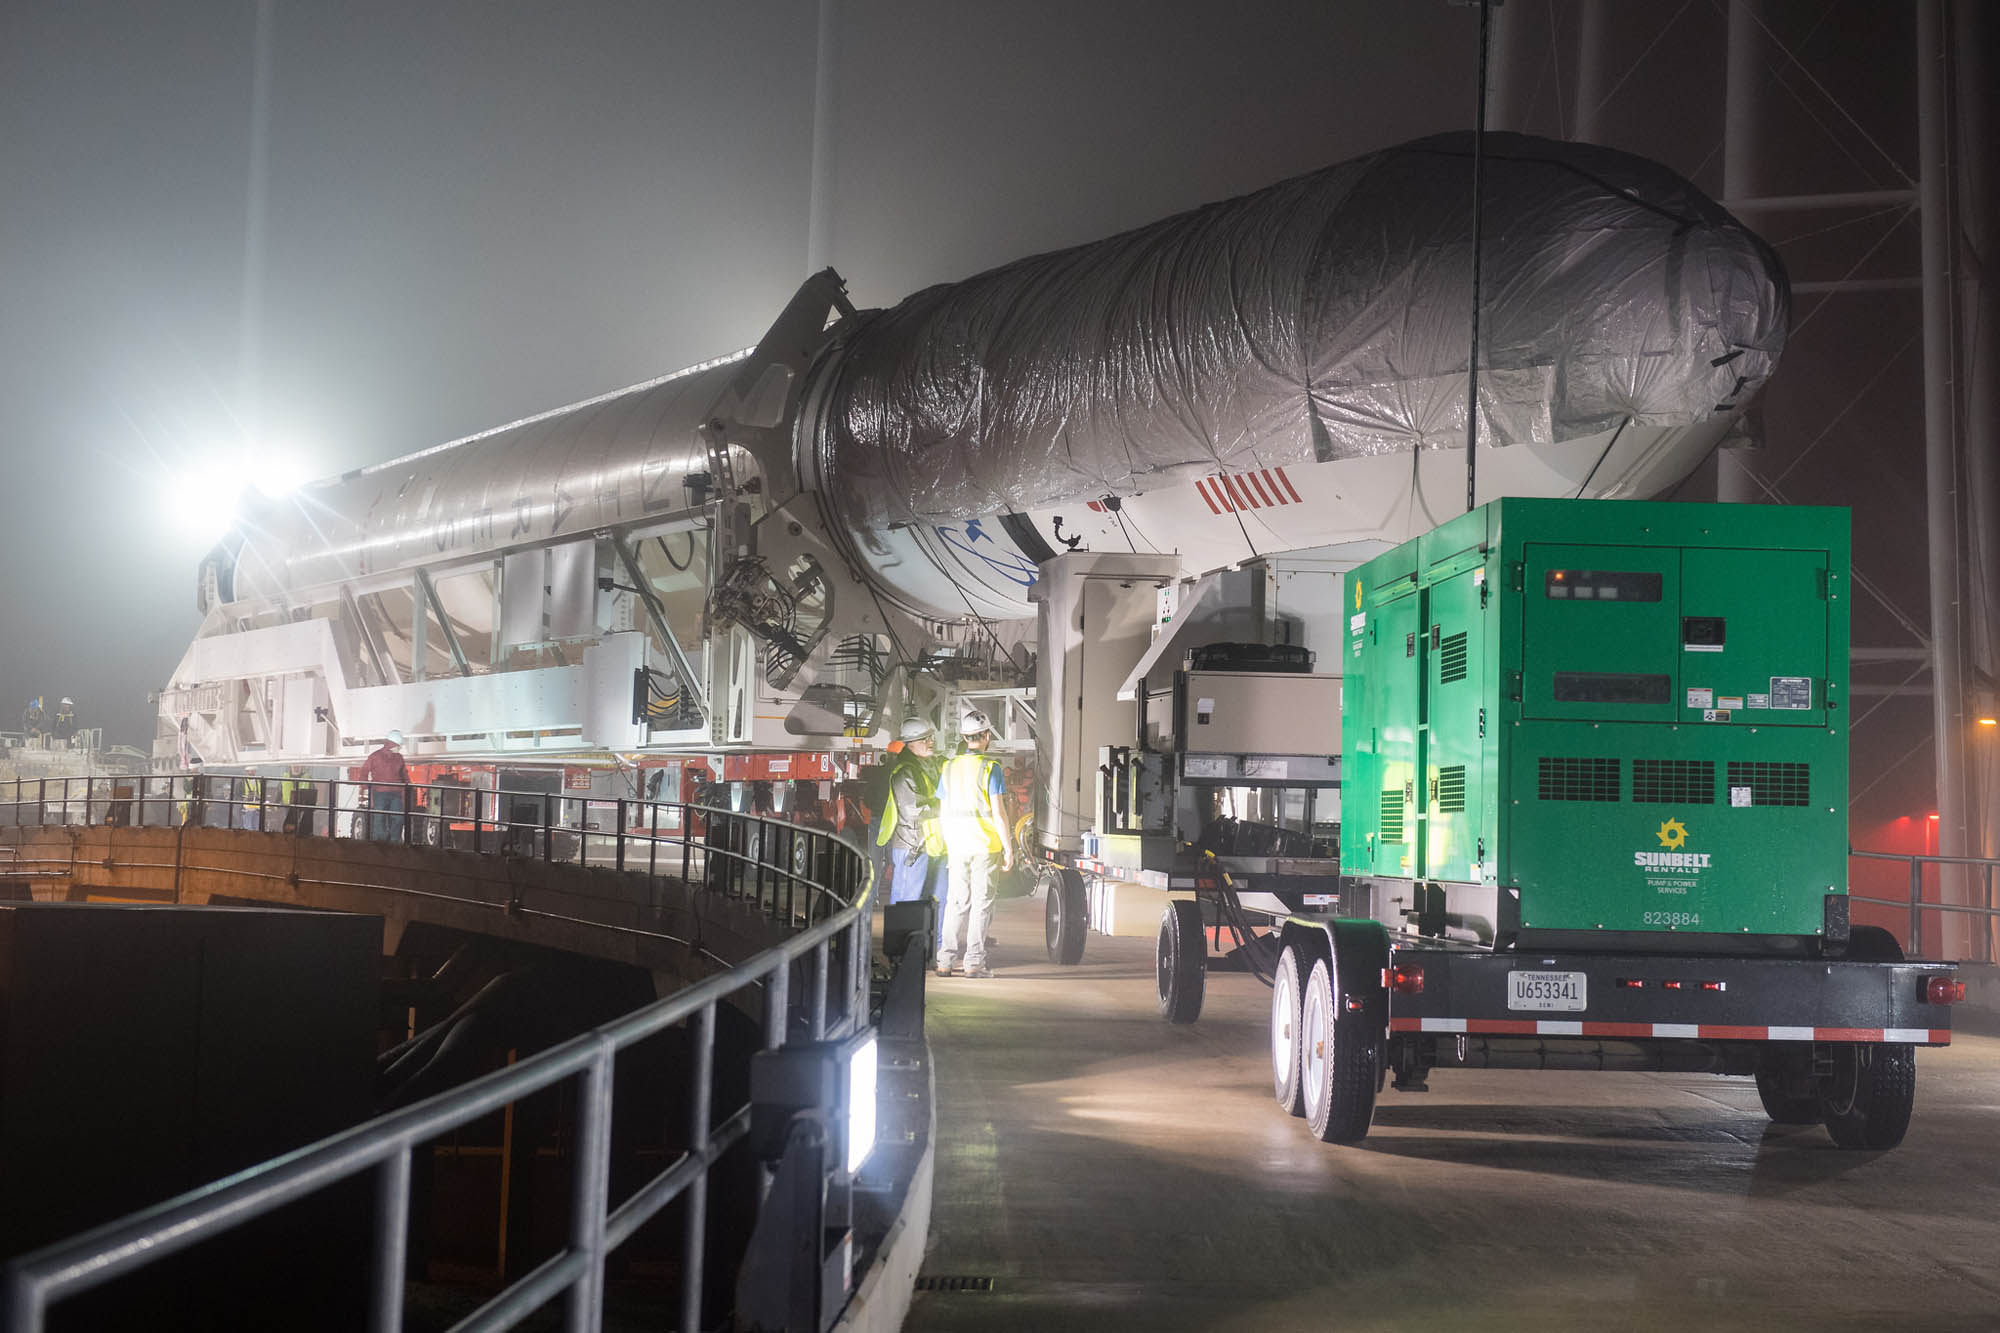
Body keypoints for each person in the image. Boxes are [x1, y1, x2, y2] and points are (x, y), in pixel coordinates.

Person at [935, 705, 1015, 978]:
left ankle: (945, 961)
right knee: (981, 904)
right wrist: (1008, 848)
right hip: (984, 845)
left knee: (956, 903)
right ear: (986, 735)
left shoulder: (948, 767)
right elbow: (999, 813)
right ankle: (974, 963)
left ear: (964, 737)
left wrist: (948, 845)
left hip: (957, 846)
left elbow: (943, 812)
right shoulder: (990, 768)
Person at [877, 718, 941, 908]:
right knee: (907, 897)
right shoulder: (904, 772)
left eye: (930, 737)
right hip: (910, 844)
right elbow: (914, 810)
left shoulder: (925, 767)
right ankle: (900, 938)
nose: (931, 742)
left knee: (922, 899)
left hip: (925, 842)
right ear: (911, 744)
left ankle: (921, 938)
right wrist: (946, 808)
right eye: (924, 739)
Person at [361, 730, 410, 841]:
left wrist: (408, 786)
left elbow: (403, 773)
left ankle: (391, 842)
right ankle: (382, 842)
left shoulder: (396, 757)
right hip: (381, 793)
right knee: (380, 818)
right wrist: (364, 785)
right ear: (392, 744)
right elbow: (364, 771)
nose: (400, 747)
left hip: (391, 793)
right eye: (399, 745)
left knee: (395, 818)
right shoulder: (376, 756)